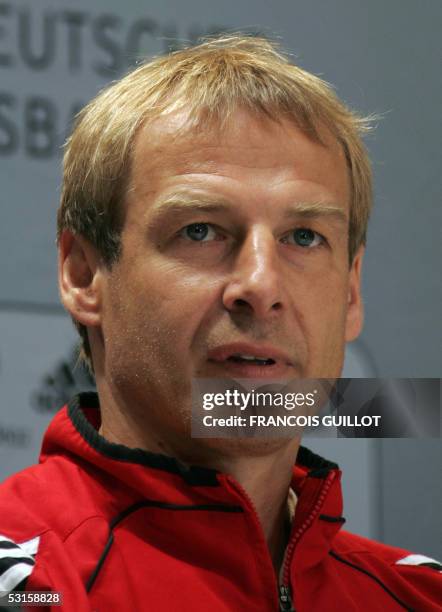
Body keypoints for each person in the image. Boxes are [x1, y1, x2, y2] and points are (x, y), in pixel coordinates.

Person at [0, 35, 440, 612]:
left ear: (351, 291)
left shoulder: (419, 597)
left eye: (304, 237)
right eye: (201, 230)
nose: (261, 285)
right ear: (84, 276)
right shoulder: (32, 591)